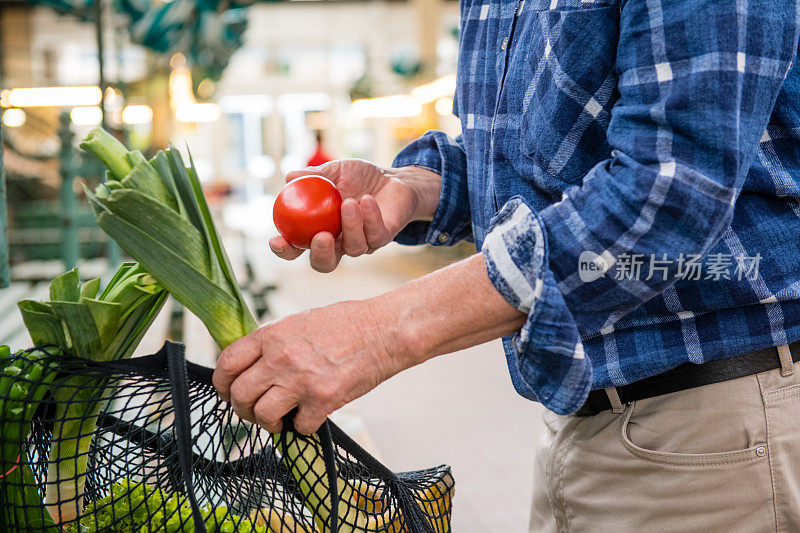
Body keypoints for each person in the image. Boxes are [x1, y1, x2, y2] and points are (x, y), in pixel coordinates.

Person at [213, 0, 800, 529]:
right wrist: (417, 188)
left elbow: (670, 193)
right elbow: (539, 165)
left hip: (713, 431)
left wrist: (376, 333)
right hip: (582, 420)